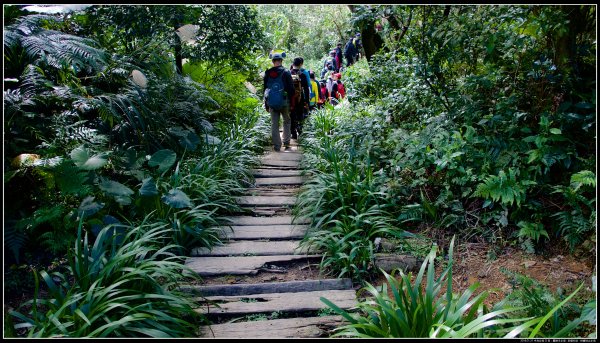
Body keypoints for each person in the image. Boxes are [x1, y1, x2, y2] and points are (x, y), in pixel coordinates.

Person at [263, 49, 294, 151]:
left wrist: (266, 104)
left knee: (274, 124)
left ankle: (277, 145)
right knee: (286, 121)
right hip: (284, 102)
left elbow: (265, 89)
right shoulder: (286, 72)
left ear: (273, 61)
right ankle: (286, 142)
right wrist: (292, 102)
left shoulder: (268, 73)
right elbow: (291, 89)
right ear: (281, 61)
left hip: (271, 102)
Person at [289, 57, 310, 139]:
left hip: (291, 99)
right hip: (300, 98)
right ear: (301, 64)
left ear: (293, 64)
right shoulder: (303, 75)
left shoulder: (288, 74)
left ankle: (293, 133)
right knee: (300, 114)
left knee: (291, 115)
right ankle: (300, 130)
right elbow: (306, 89)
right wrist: (307, 101)